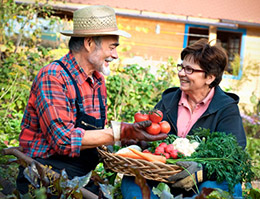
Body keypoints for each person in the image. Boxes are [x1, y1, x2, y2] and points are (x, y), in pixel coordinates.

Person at [16, 5, 168, 196]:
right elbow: (63, 140)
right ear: (89, 43)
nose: (115, 55)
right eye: (112, 47)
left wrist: (130, 141)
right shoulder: (53, 76)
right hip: (42, 175)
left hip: (79, 176)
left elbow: (95, 134)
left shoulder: (97, 80)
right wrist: (122, 131)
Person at [121, 38, 246, 198]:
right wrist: (137, 140)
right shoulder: (168, 101)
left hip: (203, 180)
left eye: (190, 70)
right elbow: (151, 137)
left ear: (210, 77)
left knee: (221, 188)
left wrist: (200, 172)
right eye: (181, 67)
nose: (181, 73)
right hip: (164, 177)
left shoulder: (226, 108)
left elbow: (233, 155)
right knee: (131, 182)